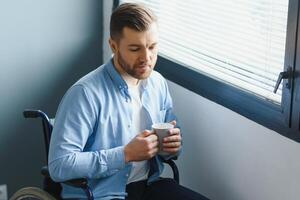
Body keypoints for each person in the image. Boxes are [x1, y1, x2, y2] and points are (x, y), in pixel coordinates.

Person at [48, 3, 209, 200]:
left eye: (152, 47)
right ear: (113, 46)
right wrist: (125, 154)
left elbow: (171, 145)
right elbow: (59, 165)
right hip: (100, 194)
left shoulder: (157, 83)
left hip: (148, 185)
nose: (147, 58)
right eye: (135, 49)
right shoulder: (85, 94)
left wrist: (172, 146)